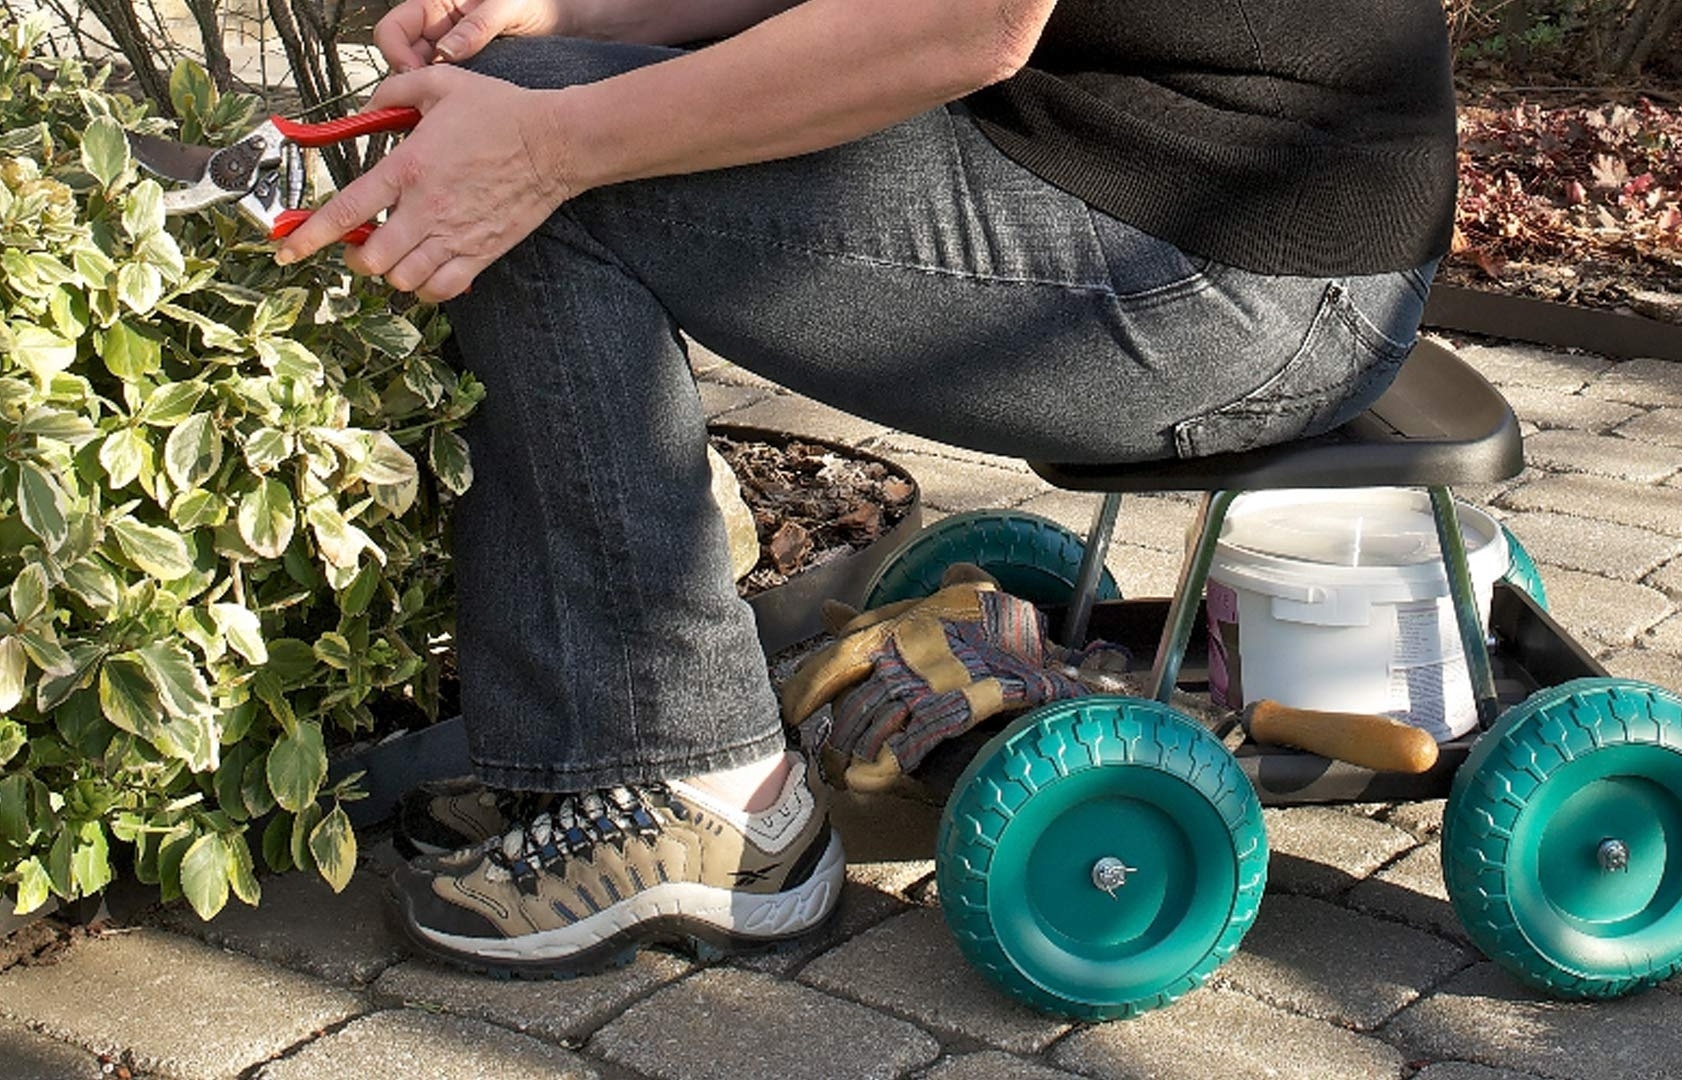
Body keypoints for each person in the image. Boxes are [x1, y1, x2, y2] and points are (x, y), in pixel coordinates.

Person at [274, 0, 1457, 976]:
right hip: (1138, 169)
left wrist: (548, 145)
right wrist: (576, 14)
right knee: (529, 88)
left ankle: (698, 788)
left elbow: (963, 23)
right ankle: (593, 749)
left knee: (546, 175)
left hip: (1243, 279)